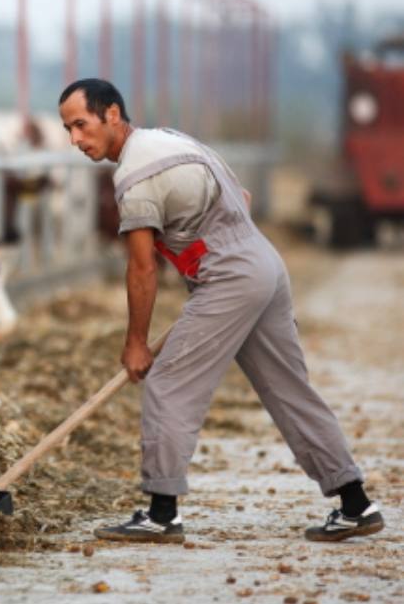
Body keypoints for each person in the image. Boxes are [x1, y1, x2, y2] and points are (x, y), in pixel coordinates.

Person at [58, 78, 384, 544]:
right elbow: (243, 198)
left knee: (168, 380)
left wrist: (135, 342)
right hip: (264, 263)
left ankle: (161, 513)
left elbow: (142, 268)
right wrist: (214, 272)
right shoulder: (172, 139)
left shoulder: (133, 175)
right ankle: (356, 503)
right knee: (290, 389)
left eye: (80, 125)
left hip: (232, 276)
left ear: (112, 114)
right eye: (68, 129)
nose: (75, 140)